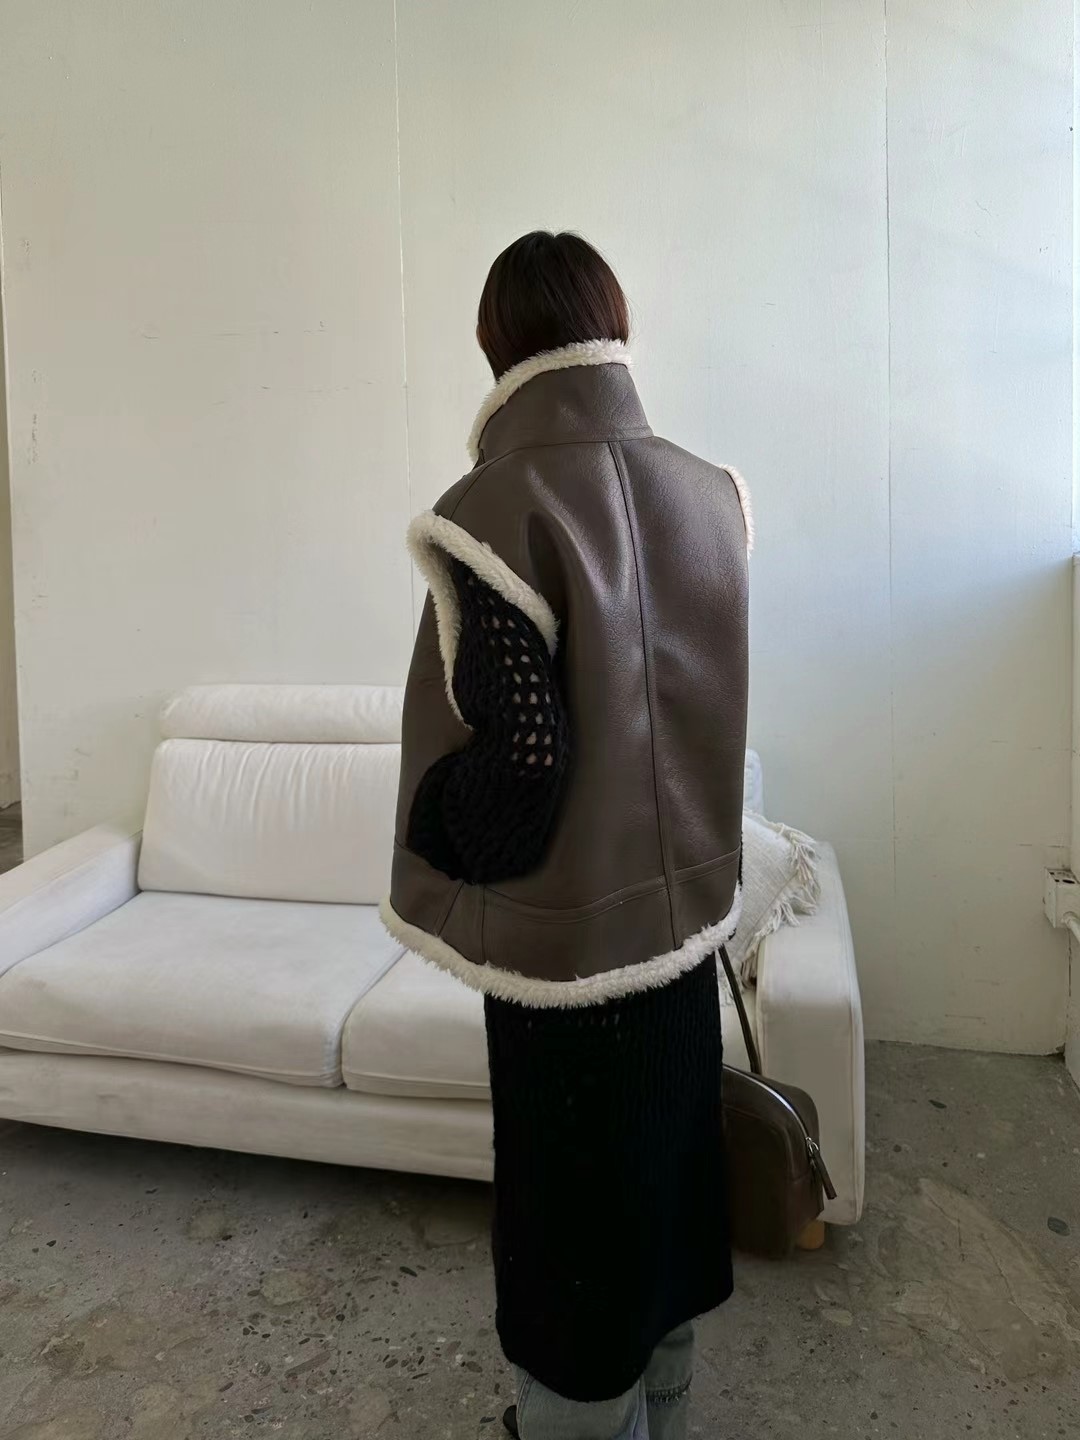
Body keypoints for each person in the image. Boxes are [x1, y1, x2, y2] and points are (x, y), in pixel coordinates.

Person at [381, 231, 751, 1440]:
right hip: (682, 945)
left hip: (566, 978)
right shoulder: (708, 492)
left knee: (574, 1273)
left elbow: (528, 756)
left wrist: (440, 820)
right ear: (613, 325)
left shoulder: (497, 507)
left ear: (496, 341)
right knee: (665, 1231)